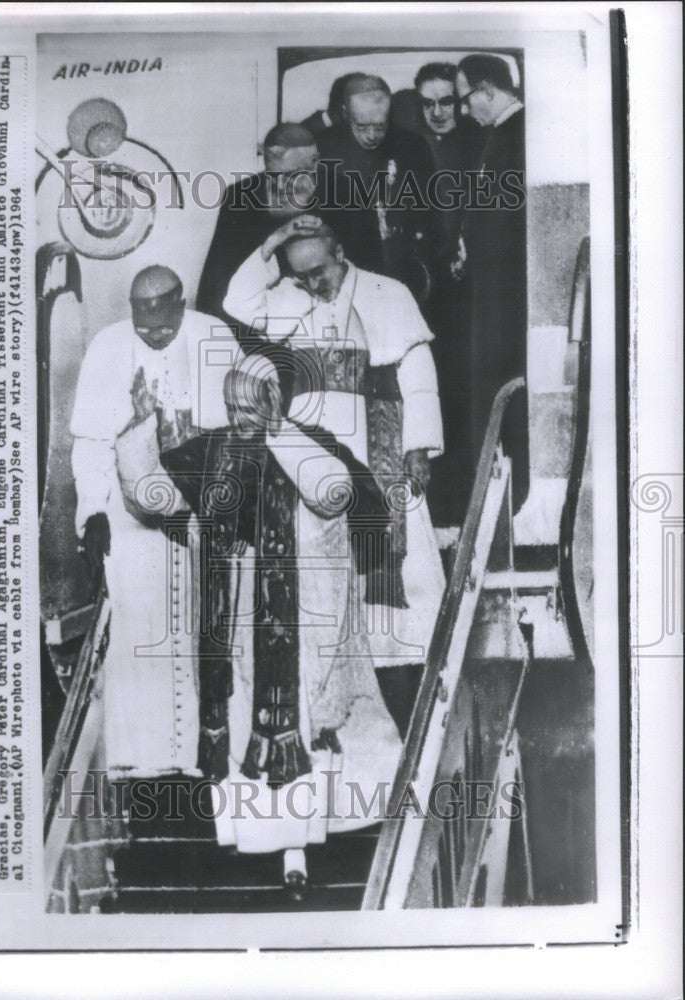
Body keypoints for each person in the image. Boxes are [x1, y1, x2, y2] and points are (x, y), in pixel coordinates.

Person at [131, 356, 404, 899]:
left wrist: (284, 440)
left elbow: (350, 500)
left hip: (305, 623)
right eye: (231, 407)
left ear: (274, 405)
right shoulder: (217, 447)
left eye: (248, 407)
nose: (238, 417)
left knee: (308, 740)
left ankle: (299, 853)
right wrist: (139, 428)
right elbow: (150, 493)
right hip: (235, 626)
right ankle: (267, 850)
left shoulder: (313, 442)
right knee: (242, 743)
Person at [223, 215, 446, 738]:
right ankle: (341, 711)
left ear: (341, 253)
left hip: (379, 440)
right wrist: (273, 240)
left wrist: (419, 447)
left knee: (398, 581)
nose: (312, 284)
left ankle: (409, 699)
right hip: (315, 454)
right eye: (299, 275)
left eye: (319, 272)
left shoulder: (387, 293)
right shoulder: (284, 297)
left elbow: (418, 377)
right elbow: (236, 301)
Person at [69, 265, 238, 778]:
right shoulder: (108, 346)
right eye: (145, 329)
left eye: (164, 328)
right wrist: (93, 509)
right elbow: (92, 440)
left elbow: (229, 434)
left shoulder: (213, 335)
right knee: (140, 634)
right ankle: (141, 760)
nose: (155, 337)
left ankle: (203, 758)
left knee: (204, 626)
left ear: (182, 305)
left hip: (198, 511)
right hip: (132, 518)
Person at [404, 62, 484, 528]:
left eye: (445, 101)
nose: (437, 112)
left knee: (460, 392)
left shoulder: (477, 143)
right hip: (426, 287)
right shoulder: (413, 147)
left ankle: (460, 502)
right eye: (427, 103)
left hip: (469, 290)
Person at [455, 53, 529, 511]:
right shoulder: (503, 134)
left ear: (486, 90)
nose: (465, 111)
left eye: (466, 99)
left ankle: (508, 503)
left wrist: (473, 249)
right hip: (491, 290)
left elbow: (505, 224)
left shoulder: (514, 135)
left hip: (502, 297)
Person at [316, 73, 440, 303]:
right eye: (361, 127)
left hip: (403, 268)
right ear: (345, 113)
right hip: (346, 269)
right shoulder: (323, 148)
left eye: (379, 127)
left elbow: (431, 211)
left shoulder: (413, 147)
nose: (372, 136)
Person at [195, 122, 320, 330]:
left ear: (314, 164)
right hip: (255, 336)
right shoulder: (242, 197)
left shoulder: (344, 197)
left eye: (290, 176)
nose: (279, 186)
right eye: (272, 174)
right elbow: (212, 294)